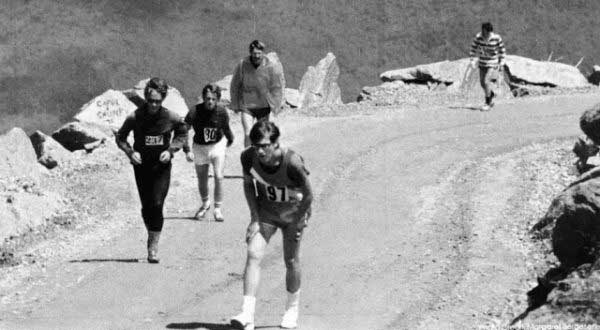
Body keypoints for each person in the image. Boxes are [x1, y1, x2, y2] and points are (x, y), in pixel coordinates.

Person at [231, 121, 313, 330]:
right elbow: (249, 185)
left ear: (276, 144)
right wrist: (254, 217)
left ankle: (291, 311)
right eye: (256, 145)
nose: (260, 150)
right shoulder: (247, 157)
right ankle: (247, 313)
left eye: (265, 145)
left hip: (292, 214)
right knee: (253, 253)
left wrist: (298, 221)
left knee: (291, 260)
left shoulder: (292, 161)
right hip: (266, 212)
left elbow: (309, 195)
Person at [116, 77, 187, 263]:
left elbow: (182, 132)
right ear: (146, 98)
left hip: (161, 167)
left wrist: (171, 151)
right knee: (147, 207)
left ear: (163, 99)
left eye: (158, 101)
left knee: (157, 204)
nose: (154, 105)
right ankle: (152, 231)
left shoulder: (170, 117)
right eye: (150, 101)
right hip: (141, 167)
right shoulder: (135, 117)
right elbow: (121, 137)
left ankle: (153, 247)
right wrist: (130, 153)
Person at [183, 84, 234, 221]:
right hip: (199, 147)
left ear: (217, 99)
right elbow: (183, 131)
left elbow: (226, 128)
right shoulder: (194, 111)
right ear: (203, 98)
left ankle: (217, 209)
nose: (210, 101)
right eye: (207, 98)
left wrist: (230, 139)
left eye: (213, 99)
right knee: (202, 178)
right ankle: (205, 204)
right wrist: (187, 150)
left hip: (217, 145)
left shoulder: (222, 112)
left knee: (218, 176)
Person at [230, 40, 285, 147]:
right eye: (254, 53)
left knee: (262, 135)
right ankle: (248, 156)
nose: (257, 56)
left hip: (263, 107)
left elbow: (276, 87)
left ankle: (260, 158)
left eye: (259, 53)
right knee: (248, 133)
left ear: (263, 53)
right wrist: (235, 104)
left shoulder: (270, 67)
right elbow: (235, 85)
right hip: (247, 106)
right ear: (250, 53)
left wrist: (276, 106)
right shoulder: (242, 65)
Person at [469, 22, 506, 111]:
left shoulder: (496, 38)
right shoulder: (479, 37)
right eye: (484, 32)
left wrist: (502, 62)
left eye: (487, 32)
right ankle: (491, 94)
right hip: (482, 62)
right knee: (482, 83)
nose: (485, 34)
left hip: (492, 62)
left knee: (486, 81)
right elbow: (473, 48)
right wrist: (472, 60)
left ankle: (487, 103)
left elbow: (502, 50)